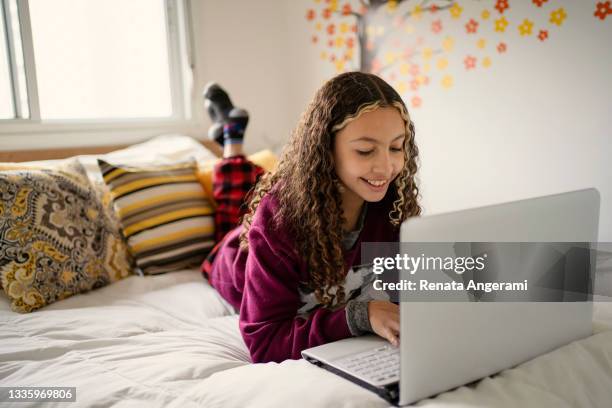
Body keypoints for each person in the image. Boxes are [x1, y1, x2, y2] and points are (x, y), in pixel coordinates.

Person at [201, 72, 421, 364]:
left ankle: (232, 135)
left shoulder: (392, 203)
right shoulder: (277, 219)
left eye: (396, 147)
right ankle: (231, 135)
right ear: (325, 149)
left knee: (251, 189)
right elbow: (265, 343)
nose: (385, 166)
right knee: (232, 209)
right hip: (232, 257)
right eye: (366, 150)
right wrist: (360, 315)